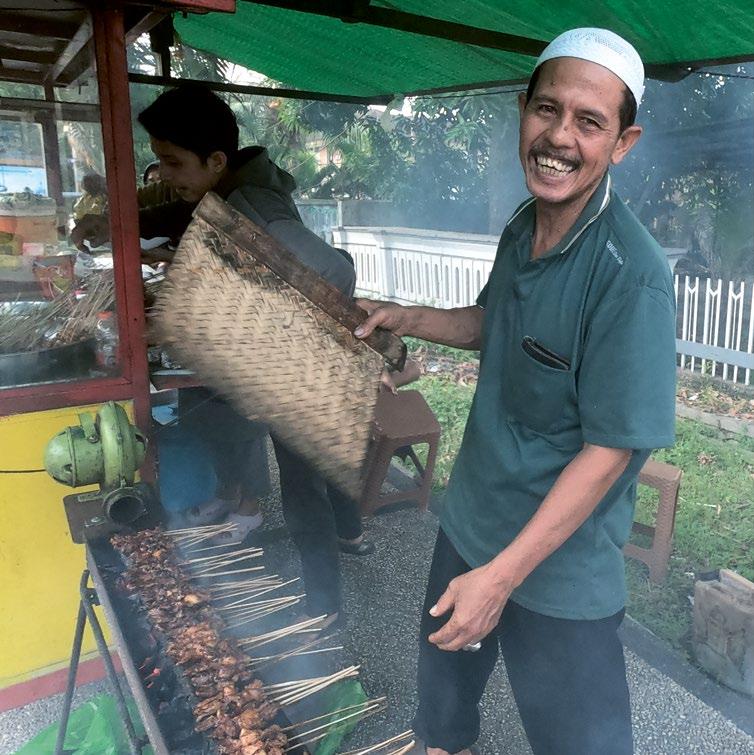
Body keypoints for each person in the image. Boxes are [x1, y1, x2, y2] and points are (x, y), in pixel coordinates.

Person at [355, 28, 676, 755]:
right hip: (472, 524)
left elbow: (612, 450)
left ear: (622, 143)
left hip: (562, 573)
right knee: (440, 724)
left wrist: (500, 579)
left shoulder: (632, 275)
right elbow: (492, 322)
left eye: (589, 122)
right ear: (522, 111)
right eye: (547, 110)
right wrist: (407, 317)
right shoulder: (522, 224)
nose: (559, 137)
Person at [74, 84, 375, 618]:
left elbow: (334, 272)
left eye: (173, 162)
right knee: (318, 459)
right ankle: (348, 534)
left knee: (302, 487)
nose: (165, 174)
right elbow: (184, 216)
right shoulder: (227, 190)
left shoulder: (256, 206)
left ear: (215, 160)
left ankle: (323, 610)